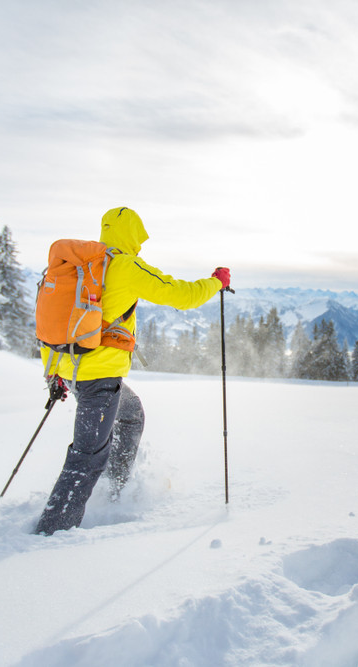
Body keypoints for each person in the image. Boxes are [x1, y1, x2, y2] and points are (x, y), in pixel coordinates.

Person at [34, 206, 230, 536]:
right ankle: (50, 533)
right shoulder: (124, 265)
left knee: (131, 413)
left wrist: (54, 373)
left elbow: (49, 322)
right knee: (86, 457)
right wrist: (215, 282)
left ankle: (115, 489)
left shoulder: (80, 265)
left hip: (72, 370)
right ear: (132, 235)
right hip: (98, 379)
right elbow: (180, 295)